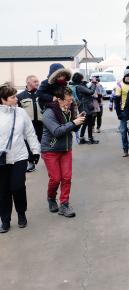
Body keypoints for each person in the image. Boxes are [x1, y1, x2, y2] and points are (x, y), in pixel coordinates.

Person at [0, 83, 41, 233]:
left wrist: (35, 151)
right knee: (3, 191)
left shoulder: (21, 113)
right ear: (3, 99)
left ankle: (21, 214)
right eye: (12, 97)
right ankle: (5, 220)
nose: (16, 99)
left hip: (19, 156)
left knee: (17, 187)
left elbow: (30, 133)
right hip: (1, 159)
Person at [41, 86, 86, 218]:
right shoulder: (49, 112)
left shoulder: (69, 109)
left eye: (71, 99)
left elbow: (73, 129)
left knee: (66, 178)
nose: (70, 102)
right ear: (59, 100)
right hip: (50, 150)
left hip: (66, 149)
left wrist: (79, 121)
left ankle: (64, 204)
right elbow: (57, 131)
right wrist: (74, 122)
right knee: (55, 179)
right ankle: (51, 198)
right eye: (68, 100)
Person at [17, 75, 42, 172]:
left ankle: (46, 157)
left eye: (37, 81)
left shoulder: (40, 94)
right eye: (35, 81)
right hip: (28, 124)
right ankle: (31, 162)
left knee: (41, 142)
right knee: (28, 143)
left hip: (41, 123)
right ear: (28, 83)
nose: (37, 83)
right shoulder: (20, 96)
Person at [114, 67, 129, 157]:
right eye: (128, 75)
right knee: (123, 132)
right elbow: (116, 100)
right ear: (124, 76)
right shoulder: (119, 85)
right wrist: (118, 113)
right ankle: (125, 150)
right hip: (123, 111)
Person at [71, 73, 98, 144]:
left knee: (85, 123)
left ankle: (82, 138)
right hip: (86, 107)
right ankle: (90, 138)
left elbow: (86, 91)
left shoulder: (78, 86)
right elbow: (90, 92)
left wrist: (89, 83)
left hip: (84, 107)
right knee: (89, 123)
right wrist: (94, 83)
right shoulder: (79, 87)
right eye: (82, 78)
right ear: (80, 79)